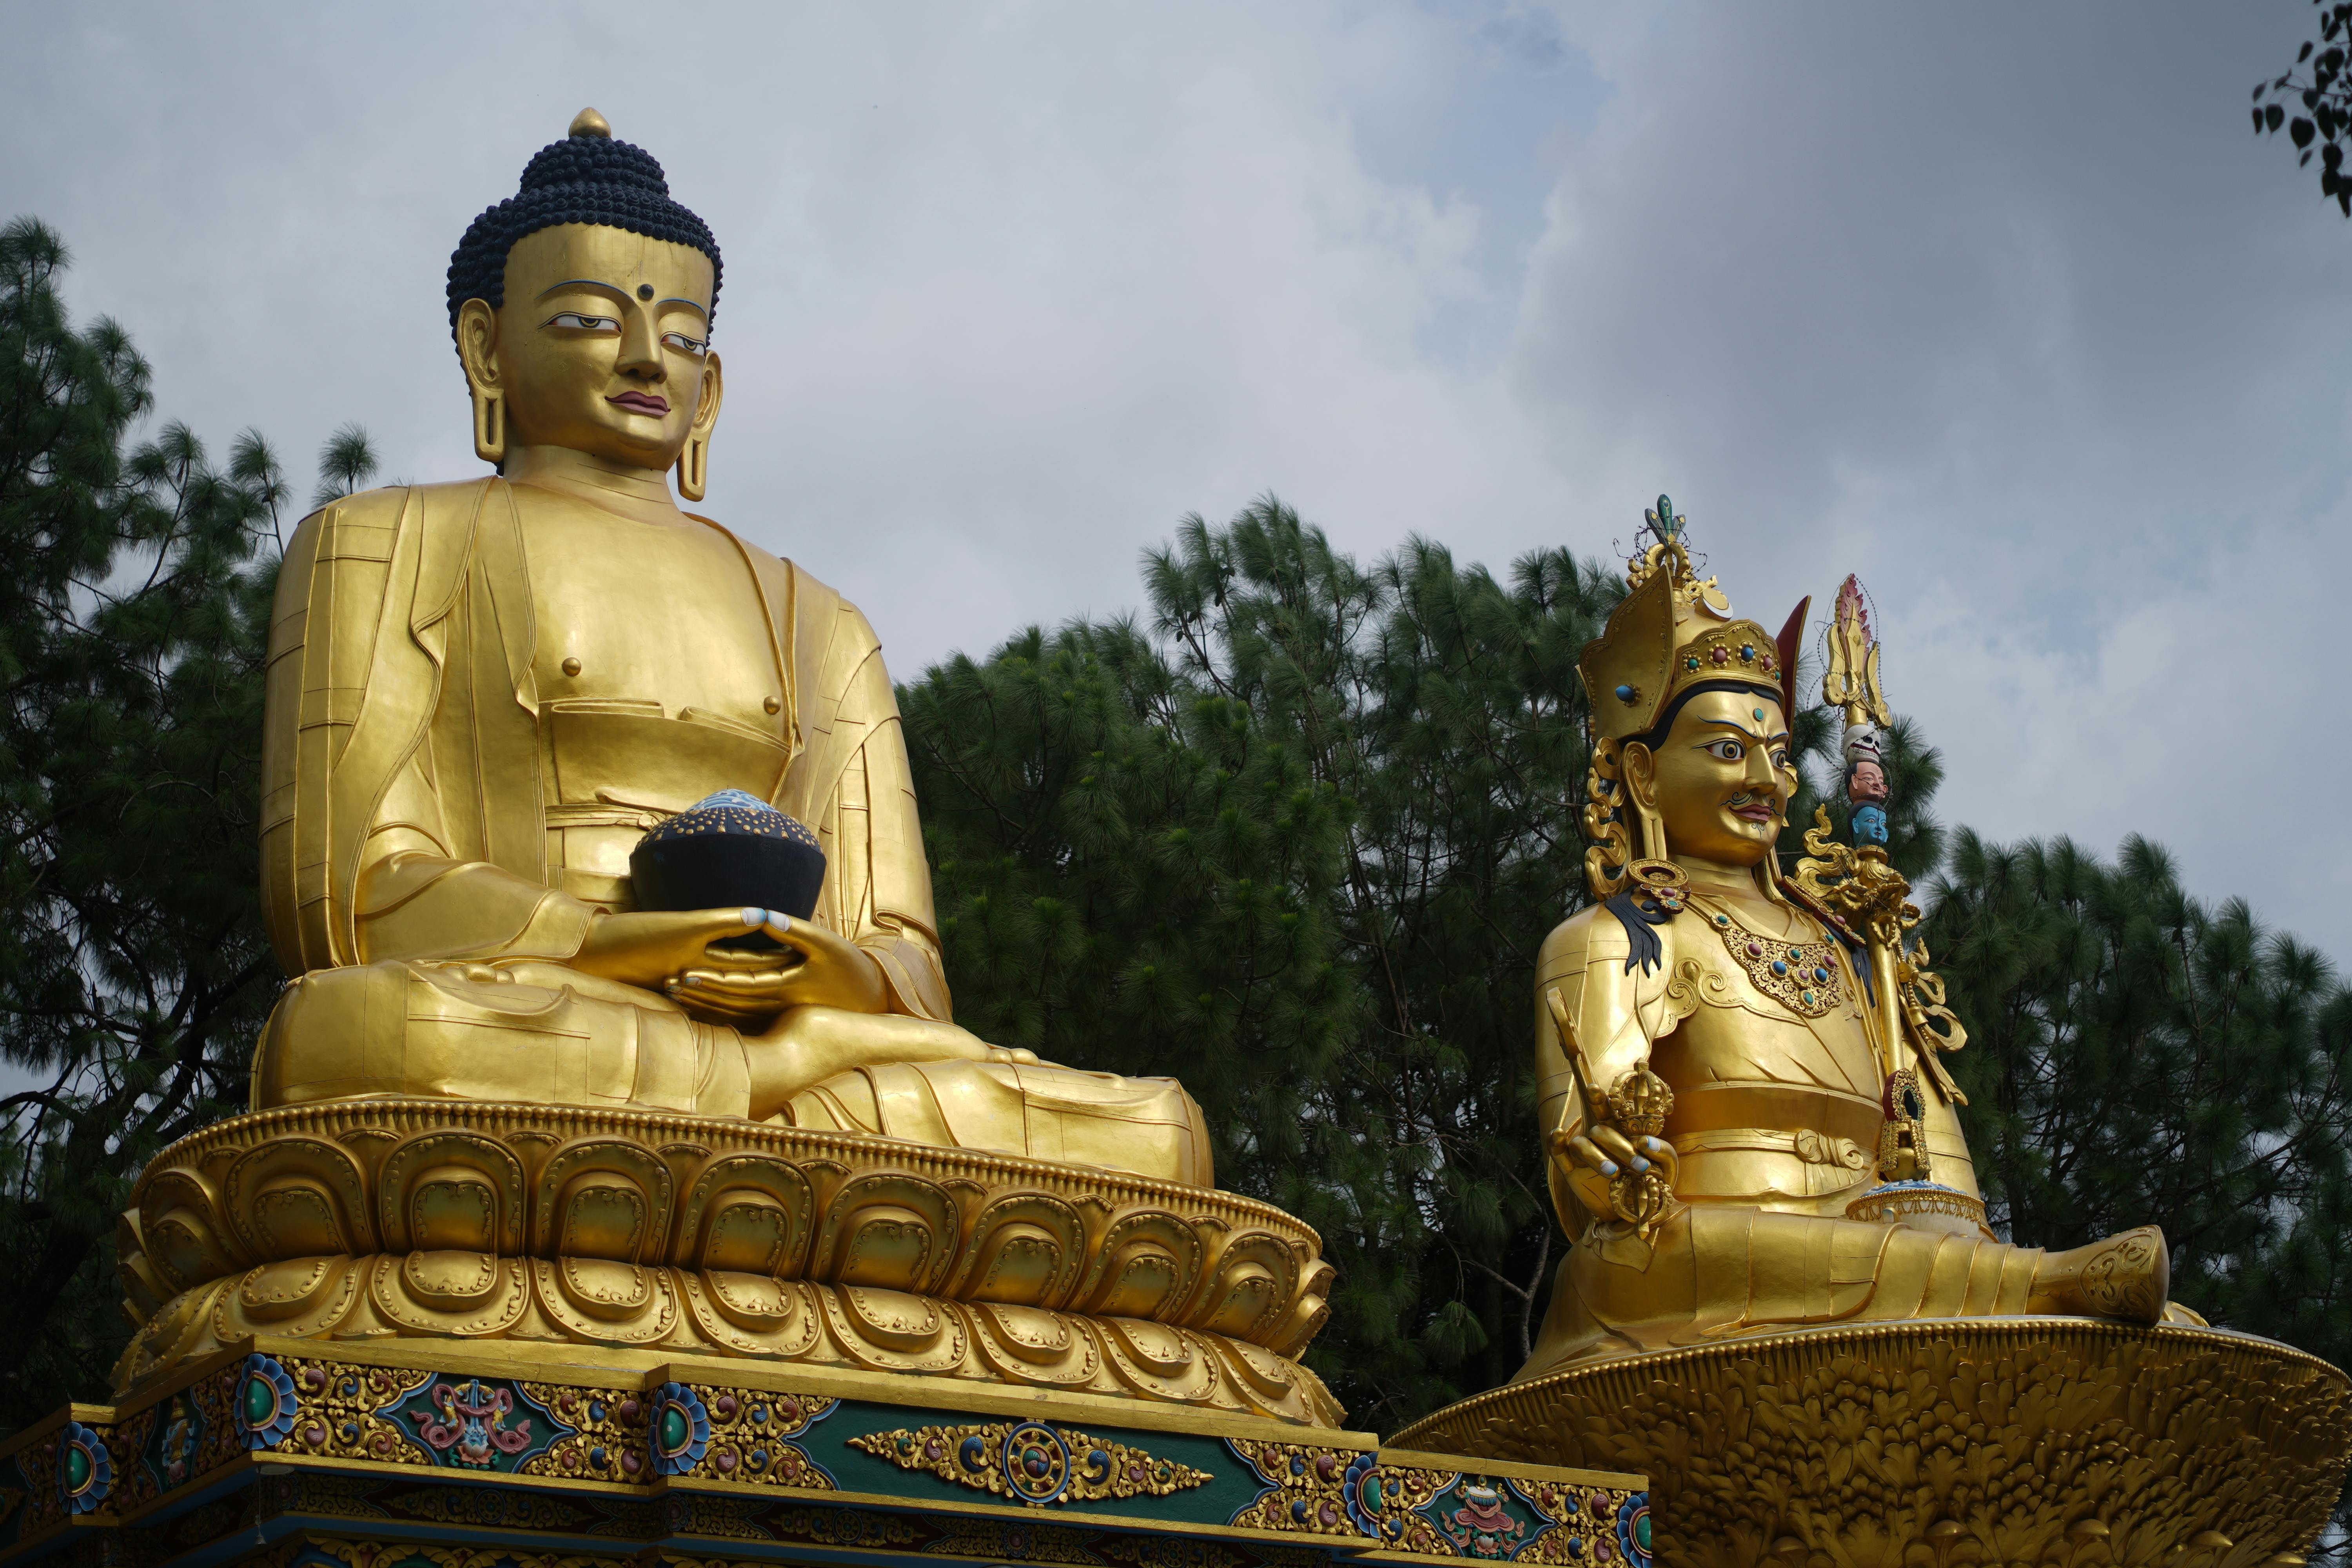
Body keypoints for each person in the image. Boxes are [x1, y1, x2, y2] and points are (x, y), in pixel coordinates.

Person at [250, 111, 1209, 1185]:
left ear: (712, 384)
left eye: (686, 335)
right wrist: (622, 946)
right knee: (364, 1035)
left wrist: (813, 974)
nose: (647, 355)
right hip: (547, 1013)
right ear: (486, 344)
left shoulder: (817, 617)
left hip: (788, 1034)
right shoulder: (383, 543)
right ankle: (777, 1130)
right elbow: (346, 896)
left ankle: (752, 1120)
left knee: (1157, 1133)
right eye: (585, 319)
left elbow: (906, 961)